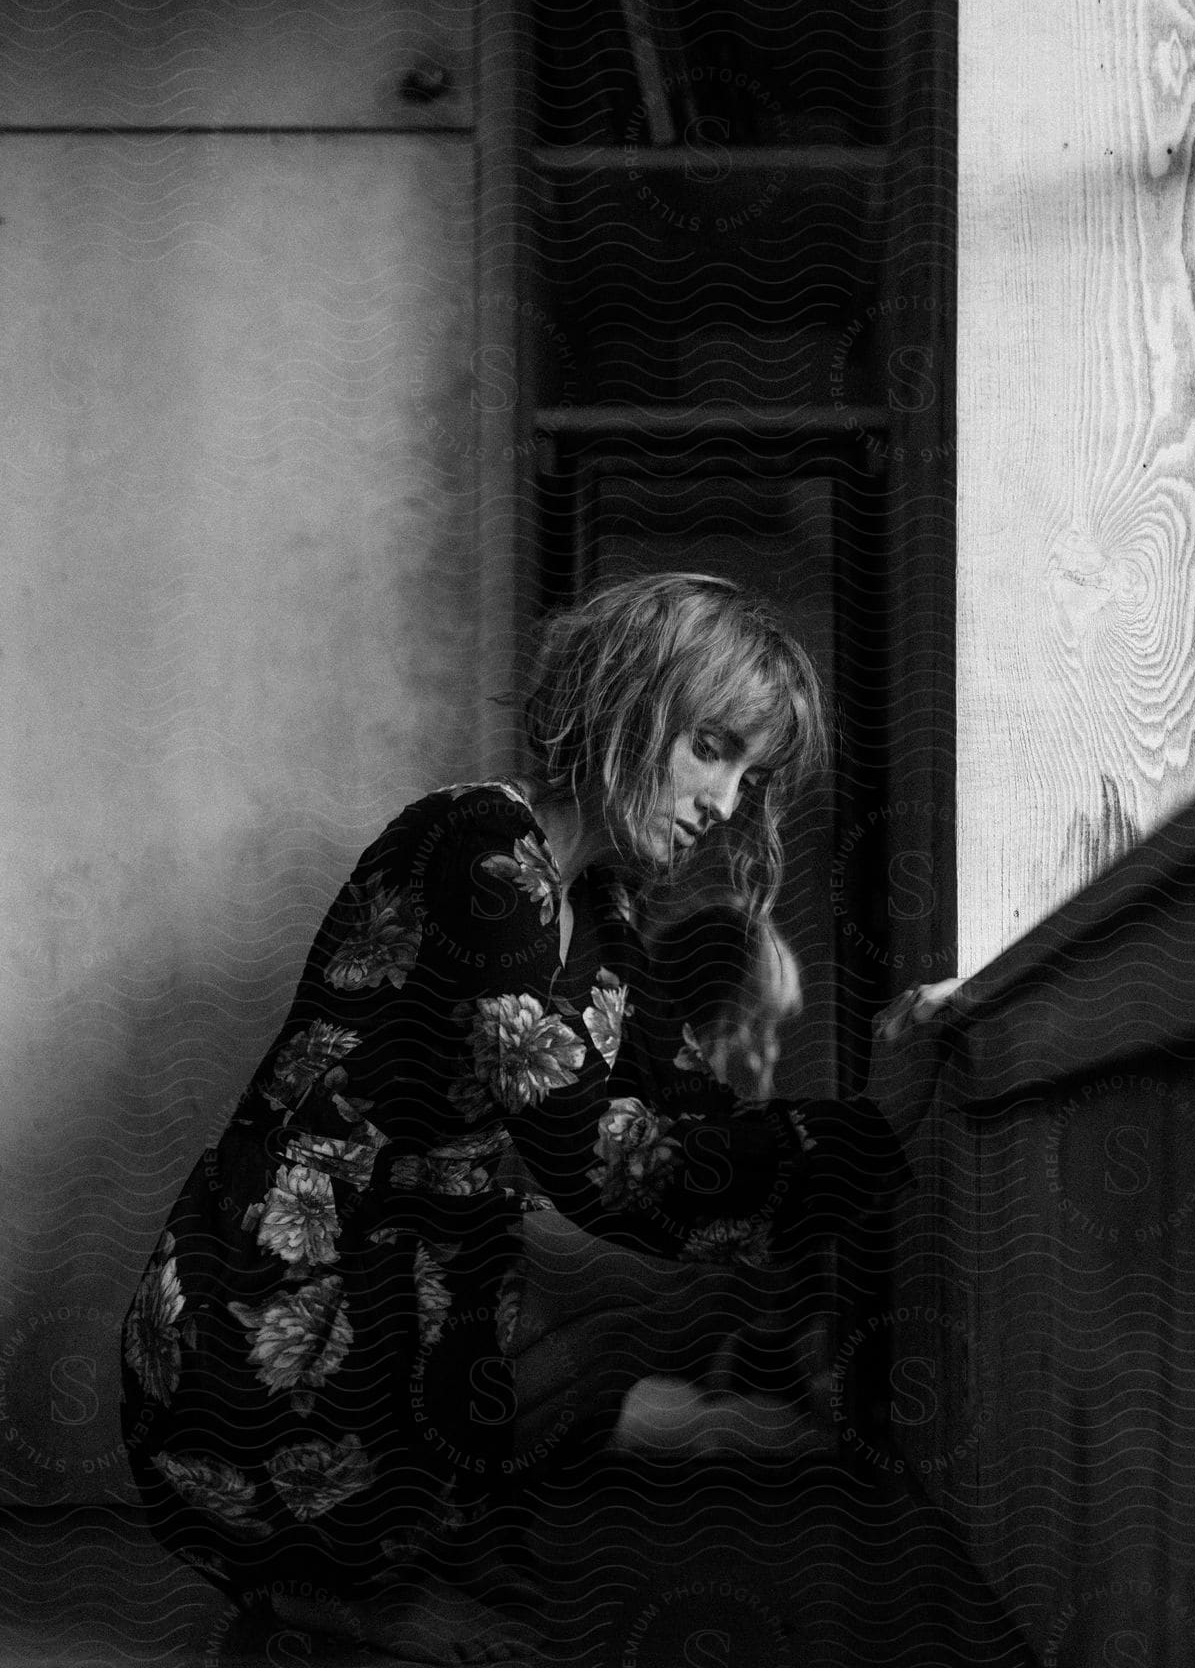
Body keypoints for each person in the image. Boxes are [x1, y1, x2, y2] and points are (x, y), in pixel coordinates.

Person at [119, 572, 914, 1664]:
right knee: (577, 1270)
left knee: (627, 1290)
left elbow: (692, 1112)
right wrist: (879, 1123)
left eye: (751, 774)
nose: (727, 805)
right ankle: (340, 1588)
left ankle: (393, 1556)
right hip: (256, 1320)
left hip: (402, 1301)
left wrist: (871, 1112)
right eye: (713, 747)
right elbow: (595, 1160)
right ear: (632, 703)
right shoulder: (479, 844)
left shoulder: (605, 915)